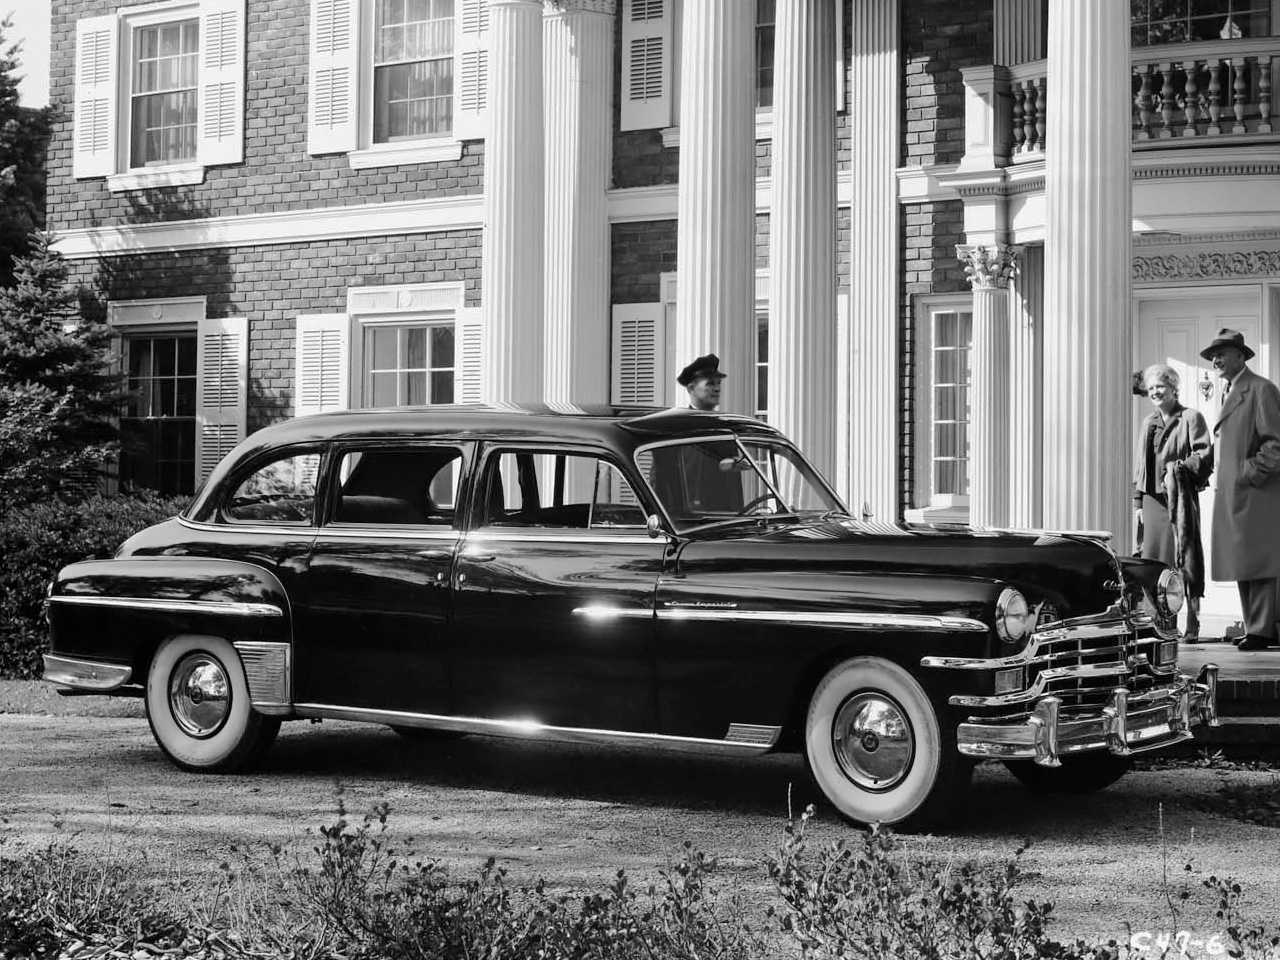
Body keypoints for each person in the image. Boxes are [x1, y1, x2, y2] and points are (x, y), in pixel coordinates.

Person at [1201, 328, 1280, 650]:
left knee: (1260, 562)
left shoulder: (1261, 389)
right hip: (1236, 495)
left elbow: (1275, 444)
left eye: (1221, 353)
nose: (1215, 360)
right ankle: (1256, 627)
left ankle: (1261, 630)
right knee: (1244, 563)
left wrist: (1248, 473)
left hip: (1257, 494)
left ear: (1240, 355)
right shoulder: (1231, 390)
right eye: (1213, 356)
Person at [1132, 364, 1212, 641]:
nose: (1155, 391)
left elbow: (1204, 457)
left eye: (1161, 386)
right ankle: (1160, 623)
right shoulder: (1148, 422)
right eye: (1152, 387)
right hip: (1152, 500)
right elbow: (1140, 466)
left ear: (1173, 389)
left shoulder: (1191, 418)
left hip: (1180, 497)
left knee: (1185, 557)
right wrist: (1138, 503)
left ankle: (1192, 621)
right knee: (1153, 560)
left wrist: (1177, 470)